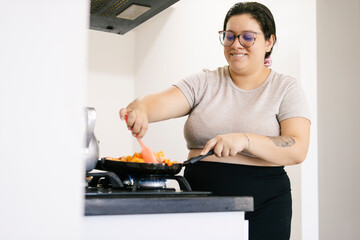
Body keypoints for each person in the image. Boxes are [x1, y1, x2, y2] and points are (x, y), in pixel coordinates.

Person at [119, 2, 311, 239]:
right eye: (229, 36)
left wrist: (245, 140)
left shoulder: (286, 88)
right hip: (198, 199)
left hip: (264, 205)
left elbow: (298, 148)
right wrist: (140, 109)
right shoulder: (205, 82)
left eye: (247, 37)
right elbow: (156, 102)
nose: (235, 44)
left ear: (269, 42)